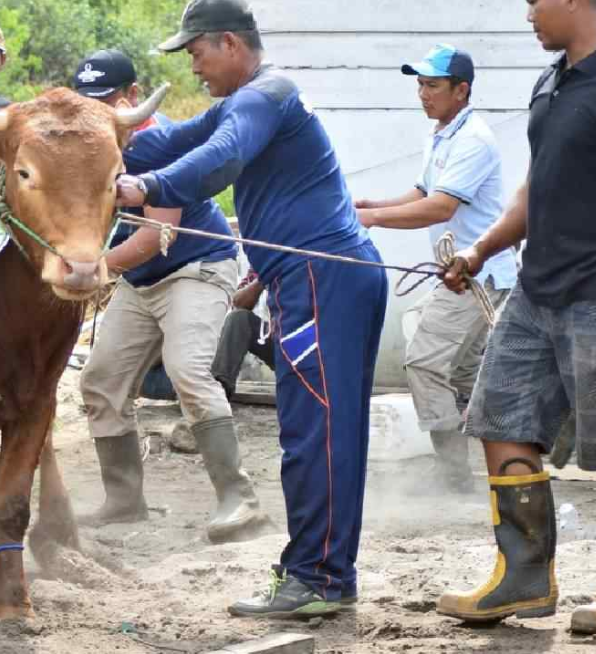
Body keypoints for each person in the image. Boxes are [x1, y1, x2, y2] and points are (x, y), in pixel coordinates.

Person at [116, 0, 388, 618]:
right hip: (318, 276)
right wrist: (91, 149)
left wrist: (150, 189)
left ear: (231, 44)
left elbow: (222, 156)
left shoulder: (263, 97)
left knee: (314, 429)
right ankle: (322, 572)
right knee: (322, 426)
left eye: (196, 53)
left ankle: (318, 577)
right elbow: (174, 142)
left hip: (323, 278)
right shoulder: (251, 99)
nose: (194, 68)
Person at [435, 0, 596, 633]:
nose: (528, 10)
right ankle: (524, 579)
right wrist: (481, 249)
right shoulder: (551, 81)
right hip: (537, 291)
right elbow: (538, 185)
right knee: (500, 417)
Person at [76, 49, 268, 544]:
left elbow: (151, 239)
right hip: (142, 280)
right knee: (101, 381)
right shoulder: (85, 148)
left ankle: (238, 499)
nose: (98, 113)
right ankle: (123, 500)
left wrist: (89, 271)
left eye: (109, 101)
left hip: (196, 267)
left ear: (133, 98)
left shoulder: (157, 143)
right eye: (87, 102)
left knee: (188, 371)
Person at [355, 44, 517, 494]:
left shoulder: (473, 140)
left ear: (461, 90)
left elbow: (441, 208)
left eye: (432, 86)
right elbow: (424, 190)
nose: (422, 94)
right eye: (420, 85)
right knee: (467, 376)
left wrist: (371, 219)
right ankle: (502, 461)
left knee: (424, 362)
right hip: (466, 274)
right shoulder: (444, 133)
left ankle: (454, 477)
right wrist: (372, 204)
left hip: (474, 277)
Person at [140, 270, 275, 402]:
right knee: (140, 375)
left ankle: (213, 391)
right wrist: (263, 276)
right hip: (210, 353)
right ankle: (208, 390)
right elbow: (239, 302)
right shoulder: (260, 266)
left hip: (290, 345)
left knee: (238, 319)